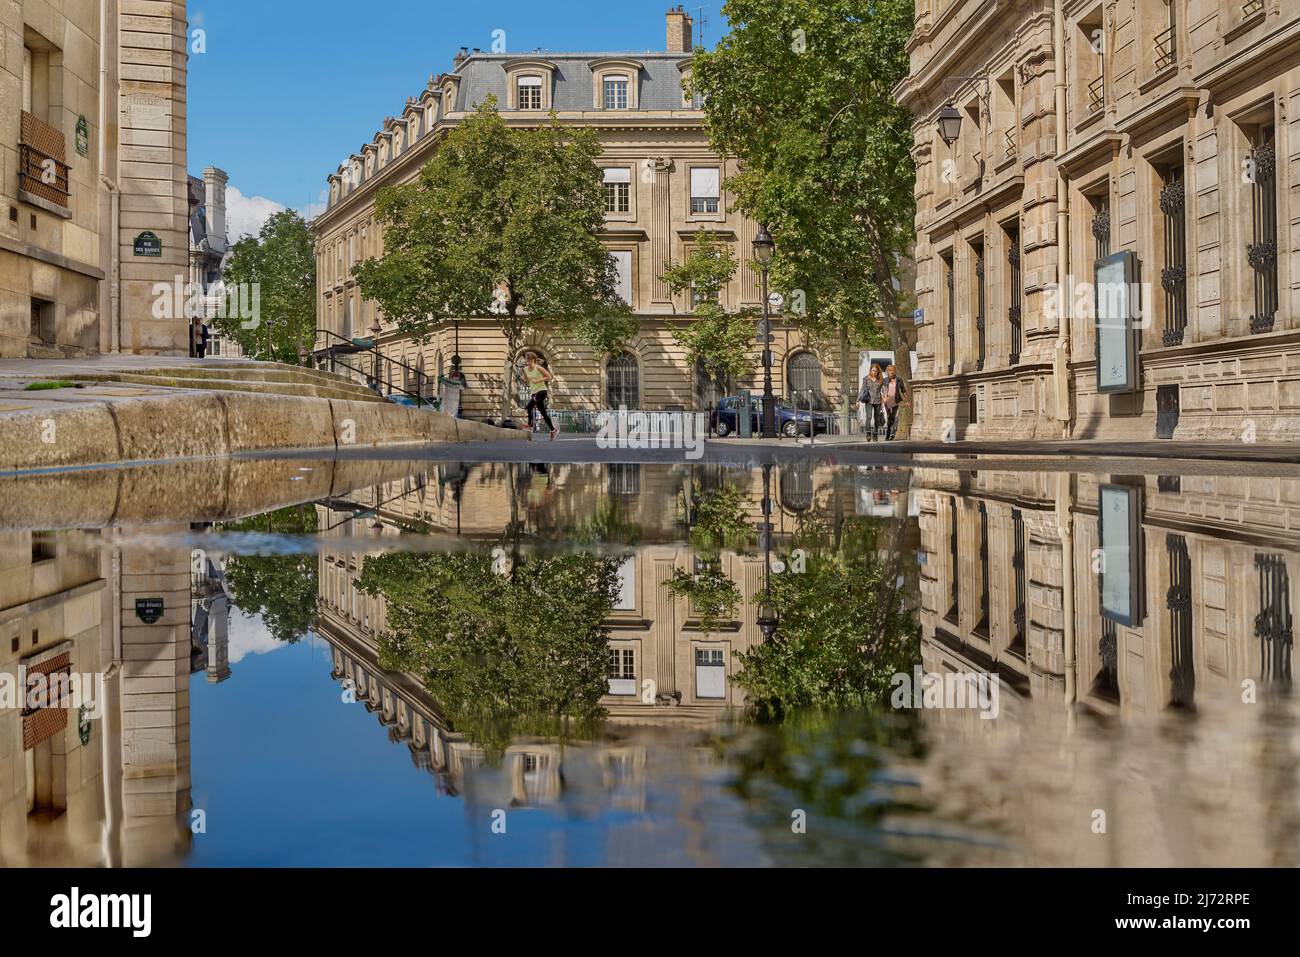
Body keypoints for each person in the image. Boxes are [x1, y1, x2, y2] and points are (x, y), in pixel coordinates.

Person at [522, 352, 557, 440]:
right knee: (543, 413)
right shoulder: (525, 369)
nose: (527, 361)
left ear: (533, 360)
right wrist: (525, 380)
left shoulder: (539, 368)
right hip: (534, 392)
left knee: (529, 406)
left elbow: (549, 376)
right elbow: (526, 380)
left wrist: (537, 380)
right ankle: (553, 430)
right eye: (526, 360)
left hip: (542, 391)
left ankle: (530, 425)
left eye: (528, 360)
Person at [857, 365, 885, 441]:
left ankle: (875, 434)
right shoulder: (866, 379)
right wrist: (857, 400)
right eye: (873, 370)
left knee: (876, 419)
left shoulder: (880, 380)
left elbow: (883, 390)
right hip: (868, 400)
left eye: (875, 371)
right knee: (868, 417)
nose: (874, 372)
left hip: (878, 401)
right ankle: (868, 433)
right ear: (870, 370)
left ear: (878, 372)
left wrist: (884, 398)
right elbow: (862, 389)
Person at [882, 364, 908, 441]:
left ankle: (892, 433)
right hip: (887, 402)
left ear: (895, 371)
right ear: (887, 372)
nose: (891, 372)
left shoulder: (899, 379)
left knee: (894, 417)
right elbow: (883, 390)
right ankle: (888, 433)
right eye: (890, 370)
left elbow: (903, 390)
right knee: (889, 417)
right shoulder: (885, 380)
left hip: (895, 401)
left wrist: (907, 401)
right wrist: (884, 398)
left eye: (893, 370)